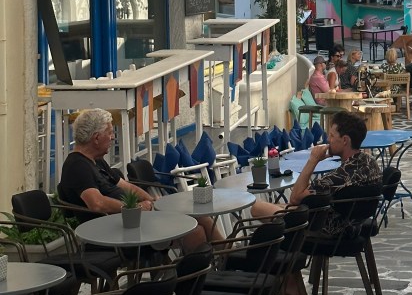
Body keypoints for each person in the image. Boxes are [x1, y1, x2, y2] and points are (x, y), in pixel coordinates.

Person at [58, 108, 220, 251]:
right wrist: (135, 208)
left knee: (202, 217)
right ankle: (201, 272)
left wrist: (152, 201)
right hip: (120, 229)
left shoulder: (97, 161)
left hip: (135, 219)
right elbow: (97, 203)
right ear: (96, 138)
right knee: (195, 231)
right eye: (110, 133)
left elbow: (126, 186)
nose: (113, 137)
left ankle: (227, 259)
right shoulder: (77, 166)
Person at [251, 110, 381, 228]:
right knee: (281, 206)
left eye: (332, 136)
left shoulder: (339, 177)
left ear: (345, 140)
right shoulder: (370, 162)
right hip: (354, 225)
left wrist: (313, 160)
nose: (328, 139)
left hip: (322, 228)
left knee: (256, 207)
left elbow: (295, 198)